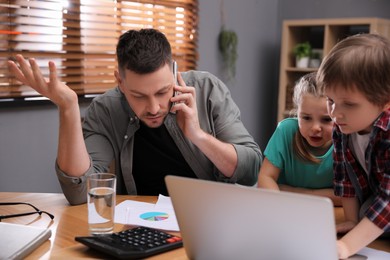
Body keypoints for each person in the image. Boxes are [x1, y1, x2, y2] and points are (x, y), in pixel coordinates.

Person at [8, 28, 262, 205]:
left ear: (174, 71)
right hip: (141, 228)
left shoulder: (207, 89)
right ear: (119, 80)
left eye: (162, 92)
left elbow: (250, 169)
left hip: (210, 219)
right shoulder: (105, 110)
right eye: (138, 95)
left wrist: (197, 135)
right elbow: (79, 192)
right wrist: (68, 107)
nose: (153, 107)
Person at [316, 33, 390, 259]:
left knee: (372, 211)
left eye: (348, 104)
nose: (335, 113)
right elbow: (344, 178)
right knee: (365, 211)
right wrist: (351, 220)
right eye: (330, 100)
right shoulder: (342, 127)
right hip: (375, 200)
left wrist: (347, 246)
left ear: (385, 102)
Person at [257, 72, 341, 206]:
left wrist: (294, 192)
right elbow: (265, 177)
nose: (315, 128)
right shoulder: (286, 130)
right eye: (306, 118)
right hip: (284, 206)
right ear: (297, 113)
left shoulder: (345, 139)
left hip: (323, 211)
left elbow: (345, 196)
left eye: (326, 119)